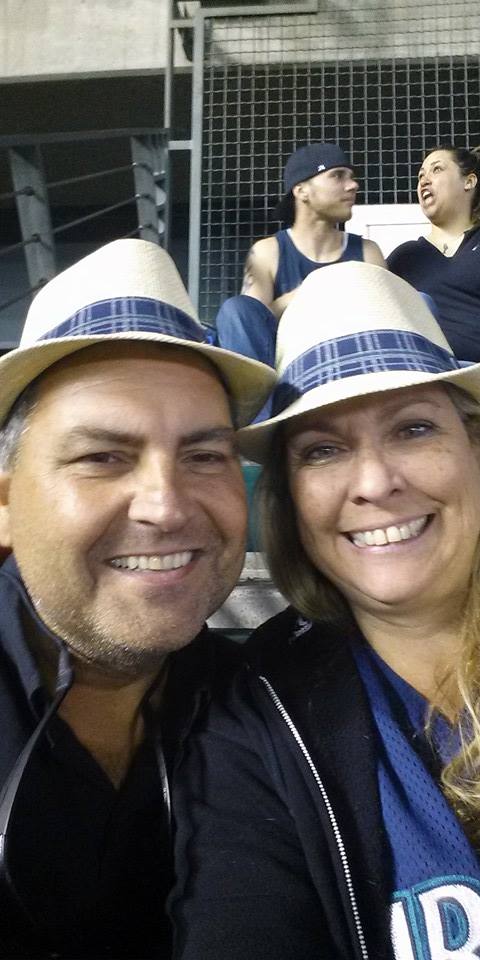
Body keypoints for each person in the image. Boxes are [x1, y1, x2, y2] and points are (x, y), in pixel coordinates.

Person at [171, 262, 480, 960]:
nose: (374, 482)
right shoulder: (257, 711)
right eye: (323, 450)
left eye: (413, 429)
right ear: (290, 497)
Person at [0, 238, 275, 959]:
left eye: (204, 456)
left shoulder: (265, 705)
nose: (166, 506)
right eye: (102, 457)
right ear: (4, 504)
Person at [387, 144, 480, 463]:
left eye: (437, 169)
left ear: (469, 181)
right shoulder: (405, 258)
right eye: (420, 175)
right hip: (462, 373)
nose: (424, 179)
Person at [214, 142, 386, 370]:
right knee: (236, 308)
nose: (353, 185)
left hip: (353, 362)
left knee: (419, 301)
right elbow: (252, 323)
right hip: (287, 367)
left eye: (352, 177)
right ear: (301, 190)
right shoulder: (267, 251)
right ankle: (259, 394)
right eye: (337, 176)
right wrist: (315, 290)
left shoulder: (367, 251)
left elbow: (385, 320)